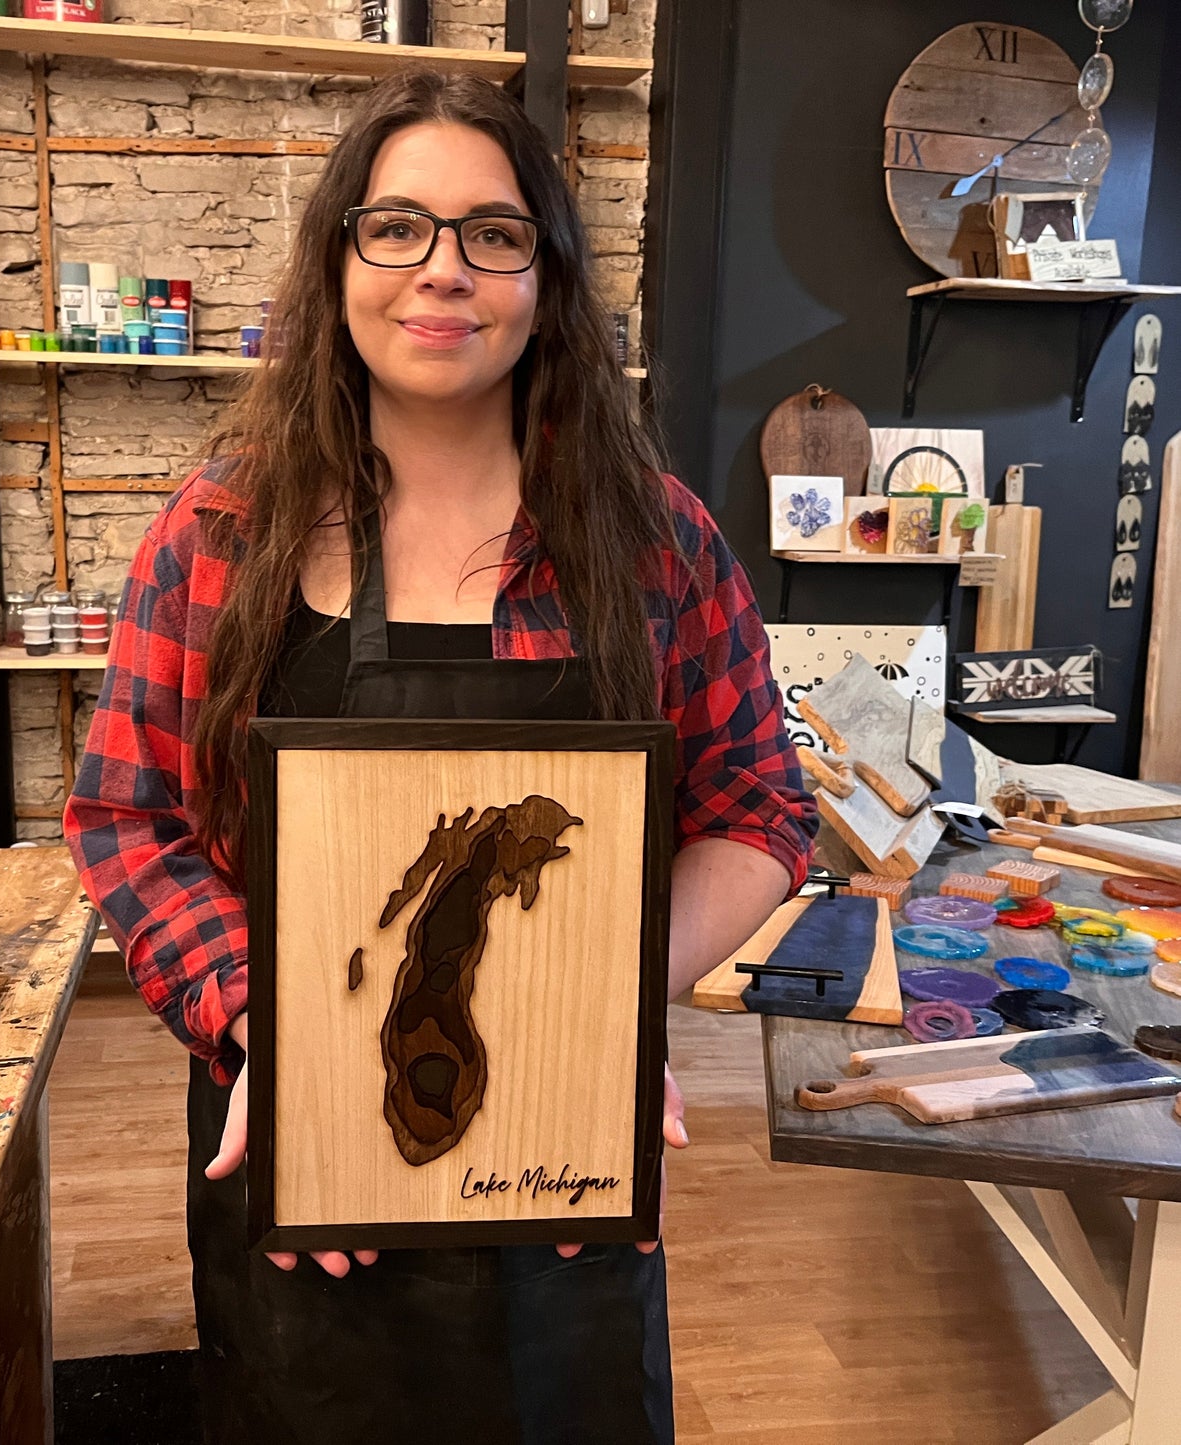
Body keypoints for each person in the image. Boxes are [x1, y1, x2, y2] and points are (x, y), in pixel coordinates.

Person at [64, 67, 817, 1445]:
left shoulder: (654, 539)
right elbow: (129, 817)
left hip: (563, 1159)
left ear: (547, 277)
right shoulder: (221, 533)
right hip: (292, 1134)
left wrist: (597, 1014)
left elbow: (759, 803)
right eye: (397, 226)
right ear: (339, 259)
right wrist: (283, 1036)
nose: (443, 269)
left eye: (495, 233)